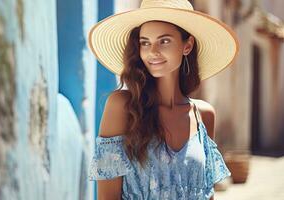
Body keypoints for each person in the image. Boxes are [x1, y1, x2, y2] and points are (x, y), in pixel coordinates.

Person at [87, 0, 239, 199]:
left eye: (164, 41)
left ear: (187, 45)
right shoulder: (122, 106)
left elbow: (206, 194)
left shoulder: (203, 115)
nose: (153, 52)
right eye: (145, 42)